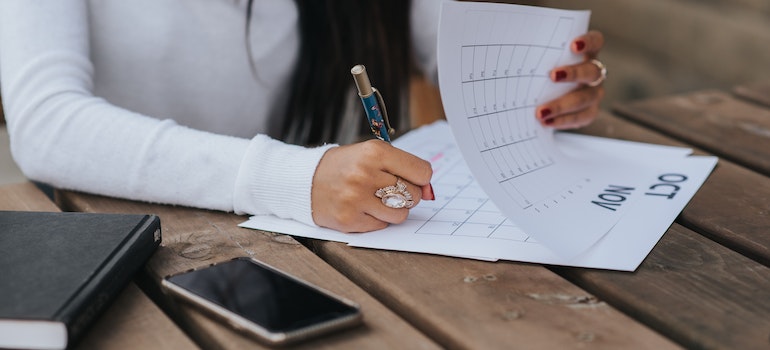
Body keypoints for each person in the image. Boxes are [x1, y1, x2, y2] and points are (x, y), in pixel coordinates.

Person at [0, 0, 606, 233]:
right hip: (114, 248)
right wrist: (296, 177)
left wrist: (545, 86)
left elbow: (457, 49)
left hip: (302, 245)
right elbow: (47, 122)